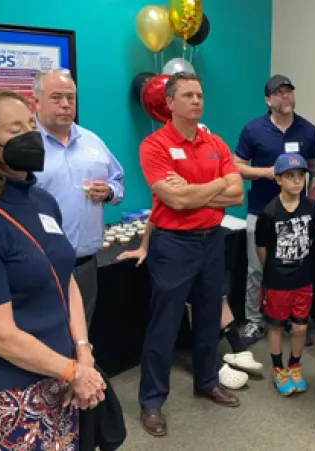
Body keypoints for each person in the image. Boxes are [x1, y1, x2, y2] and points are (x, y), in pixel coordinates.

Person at [0, 90, 105, 450]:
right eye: (15, 129)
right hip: (4, 394)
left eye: (30, 124)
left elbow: (64, 276)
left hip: (60, 377)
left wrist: (83, 352)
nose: (31, 135)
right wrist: (74, 371)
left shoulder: (41, 200)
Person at [137, 72, 243, 437]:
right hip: (173, 245)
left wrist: (196, 190)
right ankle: (151, 402)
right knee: (164, 324)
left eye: (199, 94)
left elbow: (237, 194)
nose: (197, 101)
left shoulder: (215, 142)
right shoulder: (154, 145)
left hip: (213, 239)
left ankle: (206, 381)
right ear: (169, 103)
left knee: (209, 315)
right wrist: (215, 186)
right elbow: (174, 199)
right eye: (188, 95)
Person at [117, 215, 264, 387]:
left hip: (209, 239)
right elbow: (159, 210)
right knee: (186, 308)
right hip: (177, 245)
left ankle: (234, 351)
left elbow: (234, 195)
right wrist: (144, 246)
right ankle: (211, 367)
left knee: (216, 297)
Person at [32, 69, 125, 327]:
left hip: (85, 264)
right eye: (56, 97)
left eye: (70, 98)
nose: (65, 104)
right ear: (36, 101)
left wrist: (108, 191)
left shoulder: (92, 141)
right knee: (45, 334)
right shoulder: (24, 144)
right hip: (39, 265)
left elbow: (118, 183)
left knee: (83, 333)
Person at [233, 75, 315, 346]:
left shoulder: (308, 130)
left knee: (293, 266)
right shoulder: (253, 129)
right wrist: (268, 173)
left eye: (289, 92)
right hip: (261, 211)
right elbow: (237, 166)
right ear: (268, 100)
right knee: (257, 268)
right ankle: (253, 321)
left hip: (297, 215)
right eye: (279, 93)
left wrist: (313, 202)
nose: (285, 97)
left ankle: (289, 320)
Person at [254, 153, 315, 396]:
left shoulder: (312, 207)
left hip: (303, 277)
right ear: (278, 180)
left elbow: (311, 237)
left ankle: (294, 365)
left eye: (300, 176)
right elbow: (261, 248)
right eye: (290, 176)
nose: (297, 181)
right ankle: (278, 367)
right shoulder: (269, 212)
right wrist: (274, 268)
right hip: (277, 279)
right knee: (276, 326)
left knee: (301, 328)